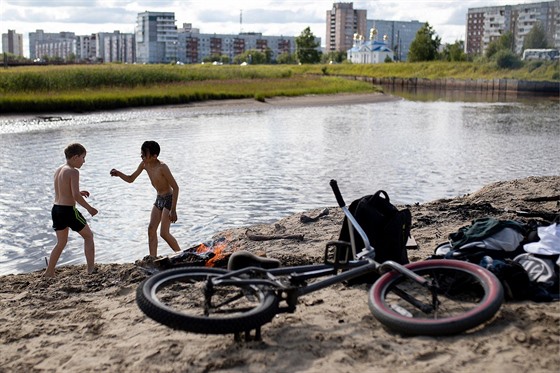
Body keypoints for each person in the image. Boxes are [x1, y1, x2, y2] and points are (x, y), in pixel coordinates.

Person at [110, 141, 181, 257]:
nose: (141, 156)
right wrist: (118, 173)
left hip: (169, 199)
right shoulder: (144, 165)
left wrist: (173, 210)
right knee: (151, 229)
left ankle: (180, 253)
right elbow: (130, 179)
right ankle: (153, 258)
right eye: (141, 153)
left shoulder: (162, 167)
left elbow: (176, 188)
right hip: (159, 199)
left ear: (154, 156)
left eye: (144, 154)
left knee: (164, 233)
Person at [45, 143, 98, 278]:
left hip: (56, 209)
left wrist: (79, 192)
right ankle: (91, 269)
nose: (84, 161)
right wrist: (89, 208)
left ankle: (49, 272)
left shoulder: (59, 169)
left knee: (61, 242)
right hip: (68, 211)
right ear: (75, 157)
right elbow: (74, 196)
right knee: (89, 236)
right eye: (83, 158)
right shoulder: (74, 171)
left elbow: (64, 191)